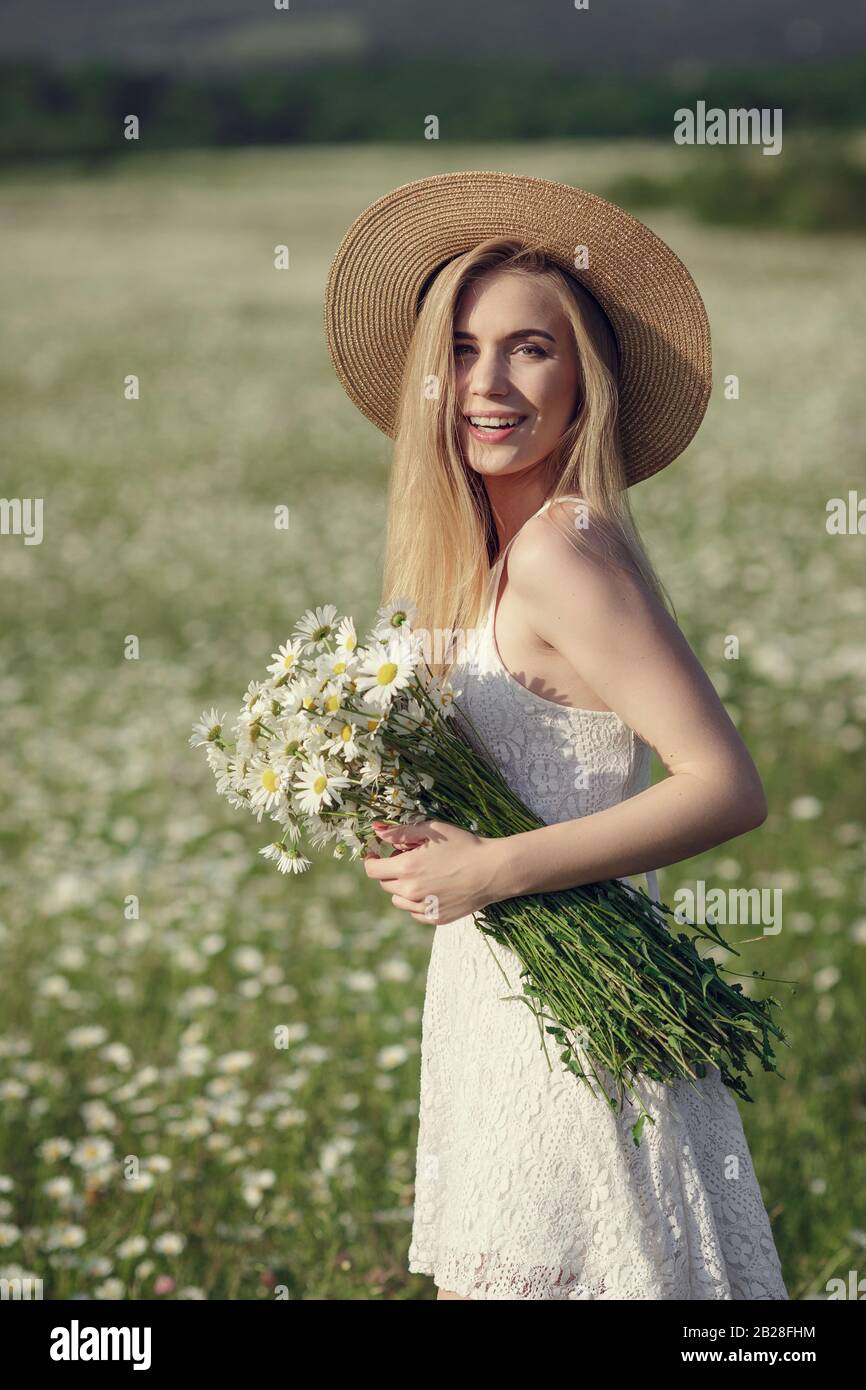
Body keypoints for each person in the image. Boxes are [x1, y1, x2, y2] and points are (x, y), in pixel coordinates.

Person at [324, 172, 789, 1301]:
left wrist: (489, 867)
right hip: (508, 1001)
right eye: (465, 349)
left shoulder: (557, 552)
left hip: (572, 1033)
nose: (487, 383)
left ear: (583, 377)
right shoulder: (490, 554)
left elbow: (724, 786)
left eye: (529, 348)